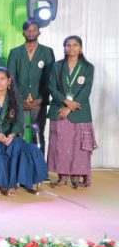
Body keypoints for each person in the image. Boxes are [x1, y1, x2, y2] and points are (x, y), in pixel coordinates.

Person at [0, 67, 48, 196]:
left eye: (2, 79)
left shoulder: (16, 98)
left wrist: (12, 134)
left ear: (9, 81)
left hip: (11, 135)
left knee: (15, 145)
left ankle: (11, 184)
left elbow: (19, 122)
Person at [47, 36, 96, 189]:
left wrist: (69, 107)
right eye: (68, 45)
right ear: (64, 48)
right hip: (59, 110)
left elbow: (86, 90)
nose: (71, 48)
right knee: (60, 146)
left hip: (79, 112)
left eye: (75, 45)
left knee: (77, 146)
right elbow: (51, 87)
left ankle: (75, 178)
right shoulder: (57, 66)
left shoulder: (88, 67)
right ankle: (62, 178)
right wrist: (65, 101)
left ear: (80, 48)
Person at [7, 20, 55, 152]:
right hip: (19, 101)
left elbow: (50, 78)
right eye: (28, 30)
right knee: (17, 133)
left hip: (39, 101)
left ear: (39, 32)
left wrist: (41, 98)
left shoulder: (47, 52)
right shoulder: (15, 52)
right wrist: (18, 99)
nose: (31, 32)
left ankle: (38, 163)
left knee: (38, 134)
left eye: (34, 30)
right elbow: (10, 78)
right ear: (23, 32)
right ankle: (18, 162)